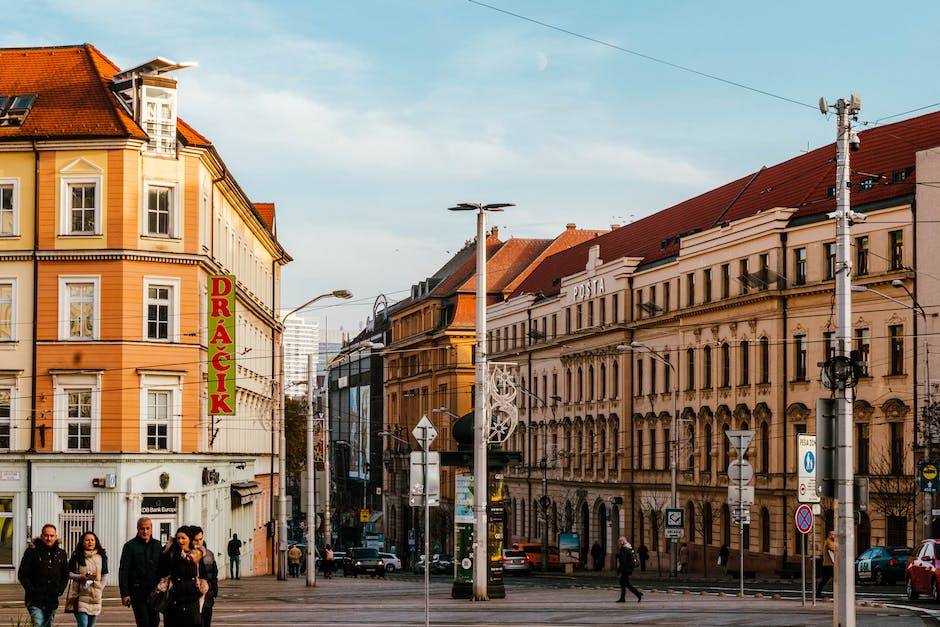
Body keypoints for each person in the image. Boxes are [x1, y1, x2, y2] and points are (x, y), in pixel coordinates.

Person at [18, 523, 69, 627]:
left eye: (51, 536)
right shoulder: (31, 552)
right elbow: (22, 574)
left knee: (48, 624)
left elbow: (65, 574)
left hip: (52, 599)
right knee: (38, 623)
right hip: (34, 599)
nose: (49, 538)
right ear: (41, 536)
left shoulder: (61, 553)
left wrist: (60, 589)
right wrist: (32, 590)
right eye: (46, 535)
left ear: (56, 537)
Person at [119, 516, 163, 627]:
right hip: (137, 592)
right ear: (138, 529)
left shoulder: (157, 545)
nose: (145, 531)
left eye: (147, 528)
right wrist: (125, 594)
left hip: (154, 592)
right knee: (143, 622)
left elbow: (162, 567)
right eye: (142, 528)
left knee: (154, 622)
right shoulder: (129, 546)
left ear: (151, 529)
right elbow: (123, 571)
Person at [158, 526, 204, 627]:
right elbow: (162, 570)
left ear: (189, 539)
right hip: (173, 602)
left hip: (191, 602)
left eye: (183, 538)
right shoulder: (172, 553)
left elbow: (204, 574)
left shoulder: (196, 554)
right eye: (178, 538)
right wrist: (166, 550)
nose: (180, 540)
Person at [67, 531, 109, 627]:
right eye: (87, 540)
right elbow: (69, 573)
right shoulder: (76, 556)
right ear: (82, 542)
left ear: (96, 542)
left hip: (95, 598)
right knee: (83, 624)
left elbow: (104, 576)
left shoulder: (101, 557)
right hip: (79, 596)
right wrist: (80, 576)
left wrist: (100, 588)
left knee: (91, 625)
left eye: (92, 540)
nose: (90, 542)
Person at [192, 527, 218, 627]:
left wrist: (214, 591)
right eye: (196, 540)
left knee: (206, 623)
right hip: (194, 598)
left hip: (208, 597)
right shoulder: (188, 555)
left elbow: (214, 574)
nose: (199, 542)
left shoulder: (209, 554)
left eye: (200, 539)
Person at [615, 537, 642, 603]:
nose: (618, 543)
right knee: (624, 583)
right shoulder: (629, 548)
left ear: (622, 542)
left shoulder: (624, 549)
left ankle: (637, 594)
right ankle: (623, 598)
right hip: (628, 569)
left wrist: (619, 569)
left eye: (619, 542)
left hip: (625, 569)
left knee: (625, 583)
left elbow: (623, 561)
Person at [816, 529, 837, 599]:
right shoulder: (828, 542)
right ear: (830, 535)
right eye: (833, 535)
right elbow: (834, 549)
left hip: (828, 564)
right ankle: (836, 593)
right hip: (829, 564)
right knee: (836, 579)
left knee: (825, 579)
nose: (835, 536)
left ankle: (818, 593)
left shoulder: (831, 542)